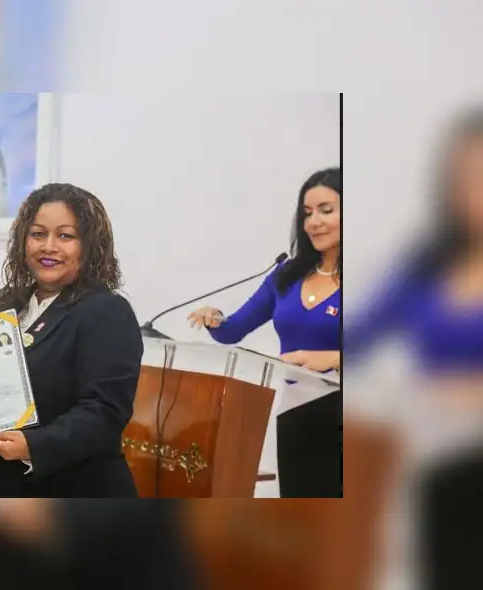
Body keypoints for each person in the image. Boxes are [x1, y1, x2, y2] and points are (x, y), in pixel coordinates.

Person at [342, 108, 483, 589]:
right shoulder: (427, 261)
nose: (475, 191)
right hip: (428, 454)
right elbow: (358, 335)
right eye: (466, 175)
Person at [0, 183, 143, 498]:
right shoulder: (3, 303)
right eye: (37, 234)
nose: (48, 246)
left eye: (66, 236)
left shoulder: (107, 311)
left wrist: (33, 447)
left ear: (90, 245)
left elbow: (104, 411)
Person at [188, 167, 342, 498]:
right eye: (307, 213)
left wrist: (332, 358)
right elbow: (234, 330)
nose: (313, 222)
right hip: (296, 414)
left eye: (326, 210)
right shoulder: (286, 275)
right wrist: (215, 319)